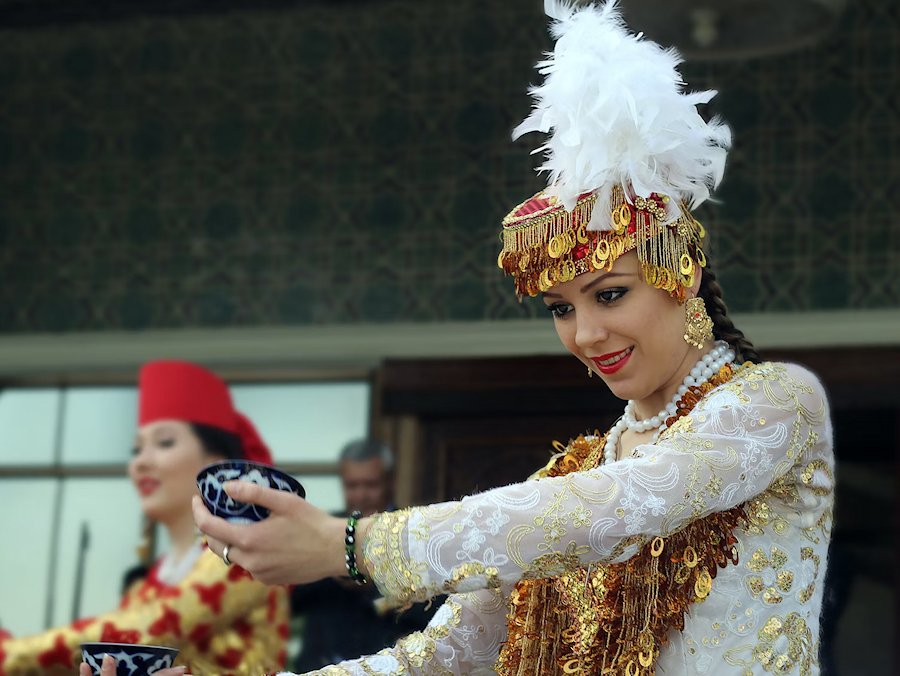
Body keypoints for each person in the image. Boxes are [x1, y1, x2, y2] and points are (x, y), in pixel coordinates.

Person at [190, 2, 835, 674]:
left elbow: (610, 512)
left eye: (610, 295)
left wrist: (353, 545)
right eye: (560, 308)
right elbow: (436, 659)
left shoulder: (778, 405)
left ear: (682, 274)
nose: (586, 334)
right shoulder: (569, 475)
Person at [1, 360, 290, 675]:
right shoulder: (144, 588)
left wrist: (10, 654)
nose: (140, 462)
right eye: (136, 450)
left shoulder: (242, 554)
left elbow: (143, 630)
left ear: (215, 462)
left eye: (164, 443)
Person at [292, 440, 440, 671]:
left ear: (391, 482)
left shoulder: (414, 534)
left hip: (385, 665)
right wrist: (327, 569)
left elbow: (433, 612)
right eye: (352, 485)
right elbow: (291, 601)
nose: (361, 495)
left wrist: (375, 586)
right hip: (320, 665)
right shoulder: (324, 529)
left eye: (371, 485)